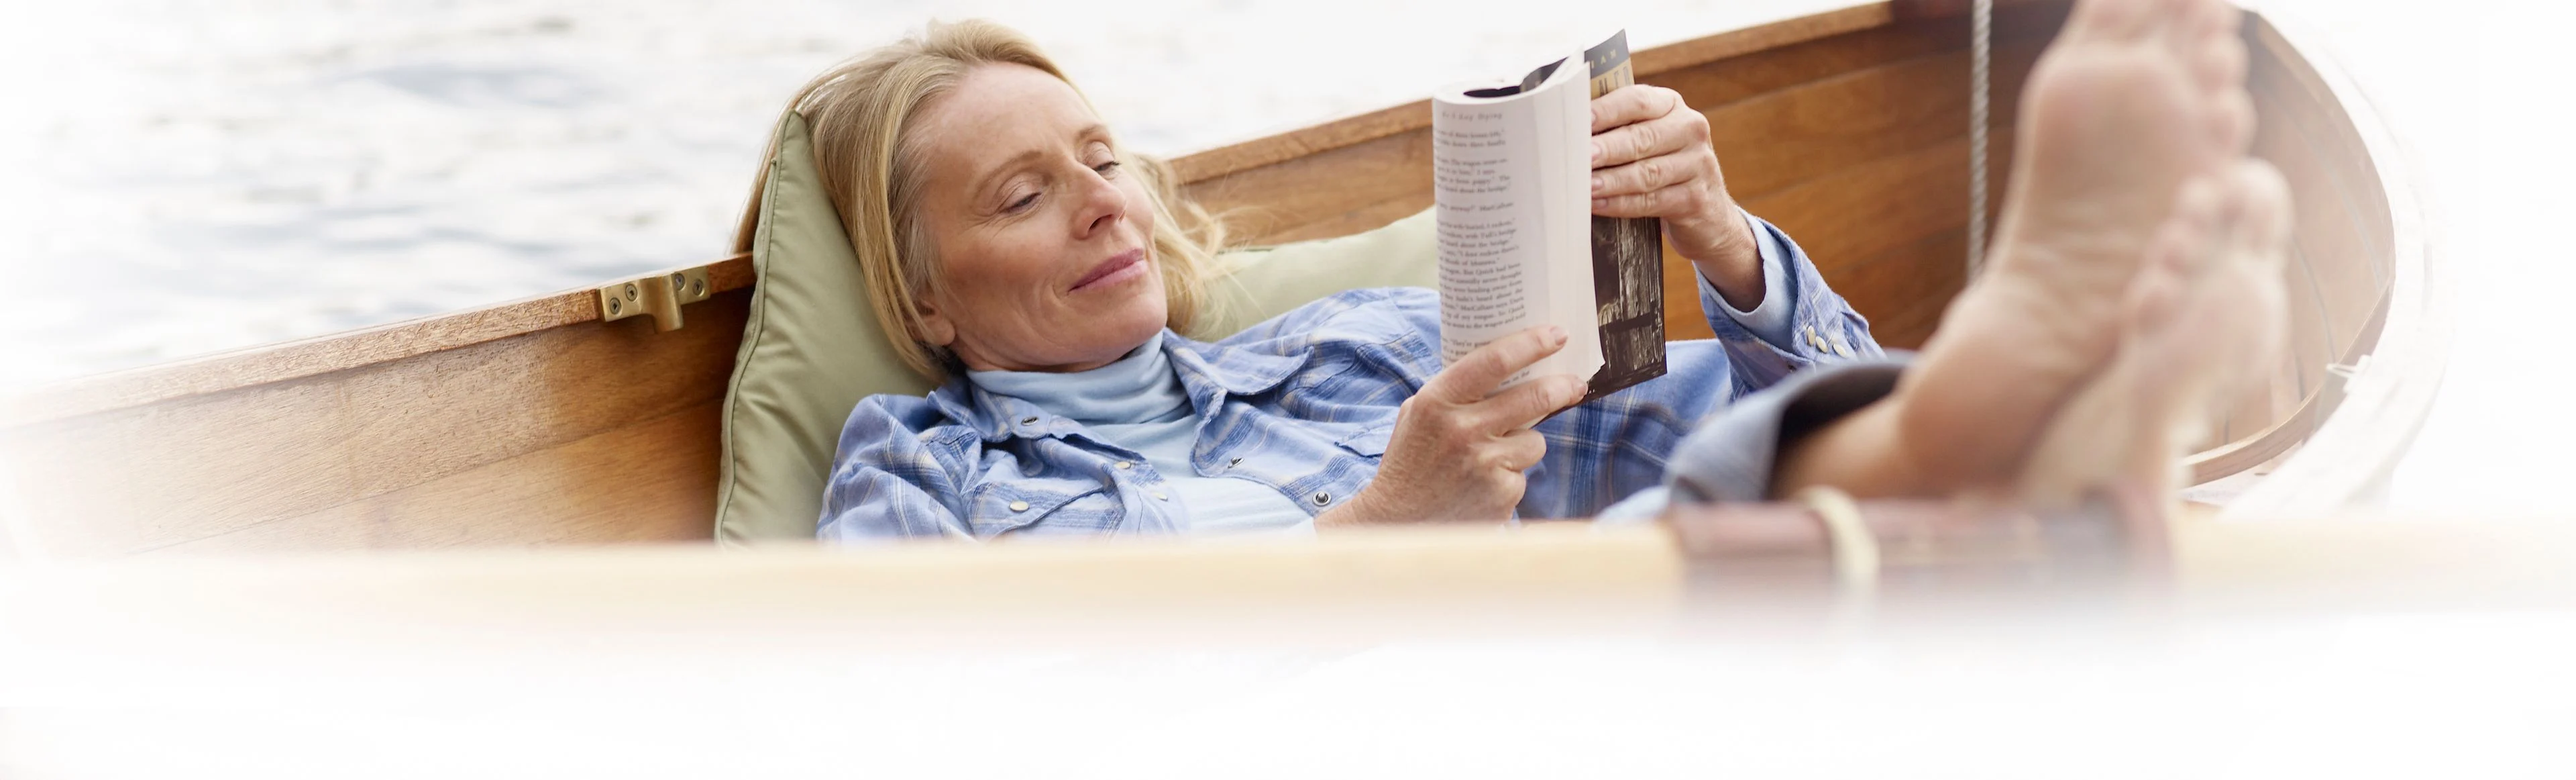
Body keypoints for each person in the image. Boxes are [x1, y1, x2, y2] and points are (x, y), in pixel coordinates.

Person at [793, 0, 2290, 541]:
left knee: (1718, 482)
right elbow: (964, 709)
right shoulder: (915, 468)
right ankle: (2018, 417)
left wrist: (1725, 245)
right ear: (926, 298)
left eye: (1103, 159)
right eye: (1024, 194)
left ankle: (1996, 413)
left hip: (1632, 644)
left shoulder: (1367, 349)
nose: (1101, 208)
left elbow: (1746, 399)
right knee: (1640, 562)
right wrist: (1376, 533)